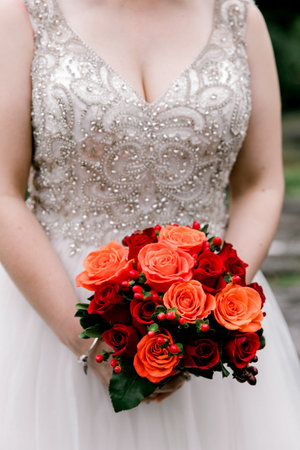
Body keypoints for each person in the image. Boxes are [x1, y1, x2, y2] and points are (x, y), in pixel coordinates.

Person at [0, 0, 299, 448]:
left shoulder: (238, 17)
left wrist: (213, 310)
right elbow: (3, 191)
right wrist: (87, 342)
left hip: (205, 323)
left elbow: (260, 185)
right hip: (54, 308)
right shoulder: (23, 15)